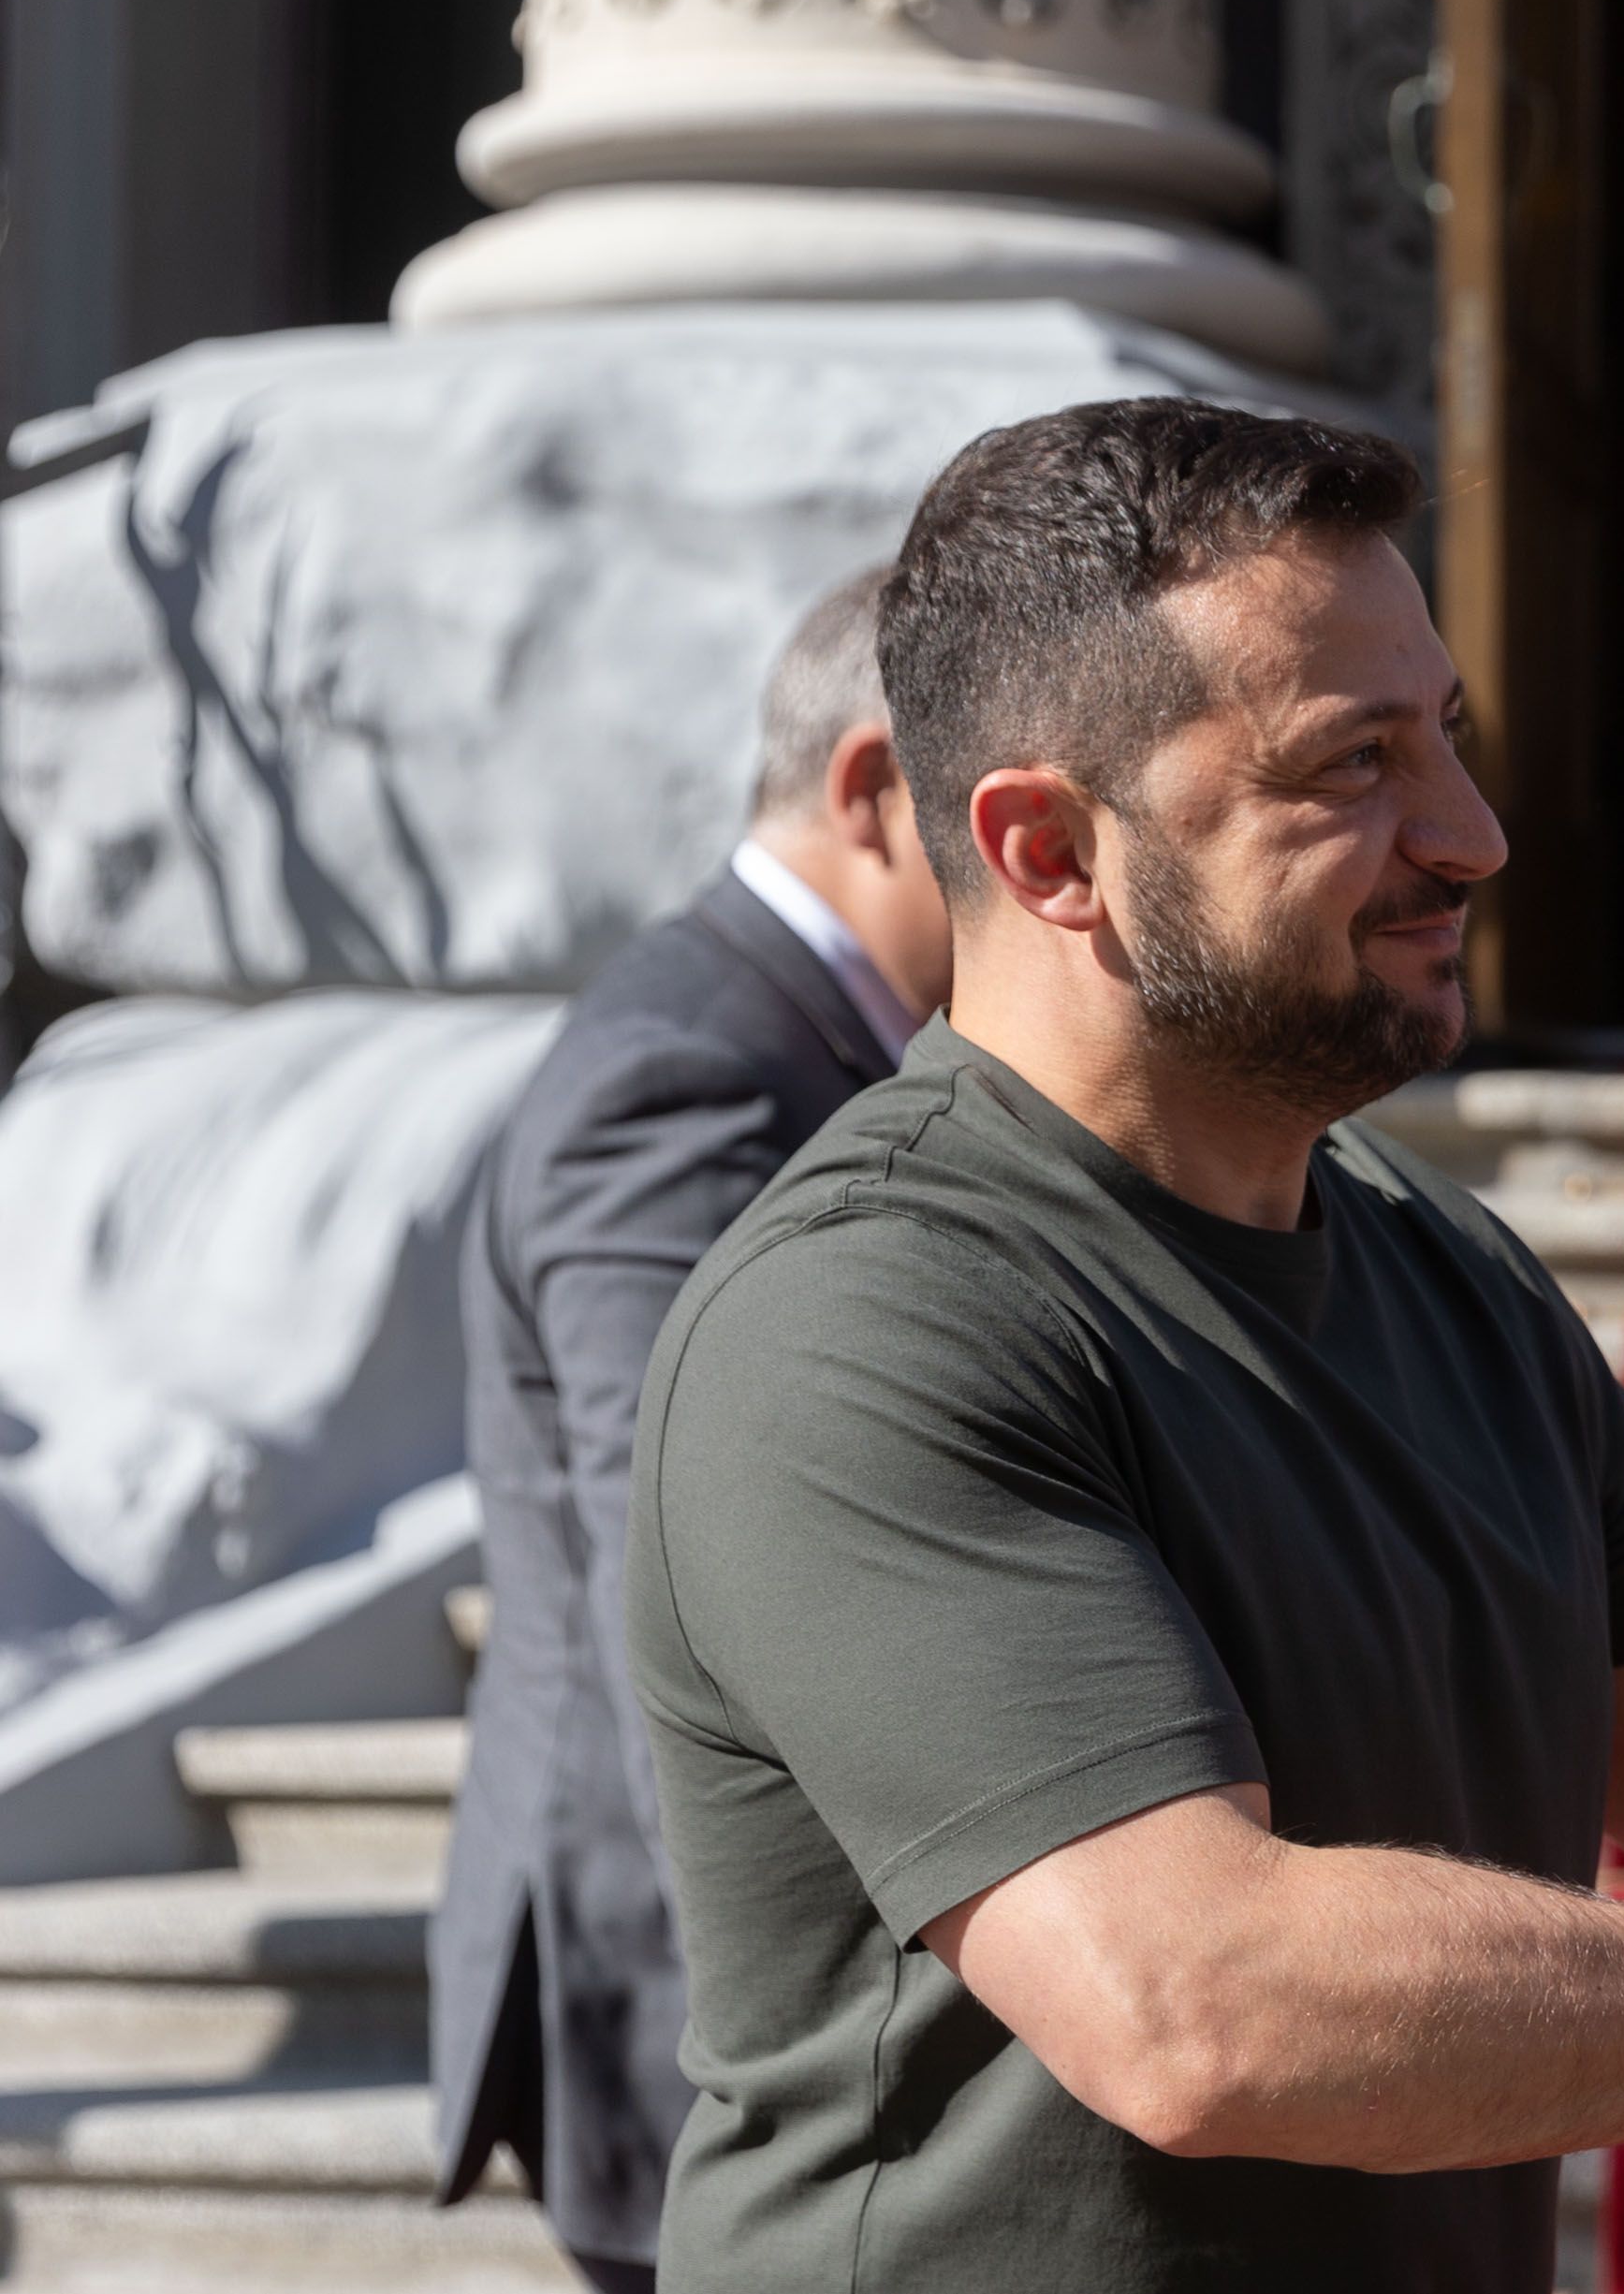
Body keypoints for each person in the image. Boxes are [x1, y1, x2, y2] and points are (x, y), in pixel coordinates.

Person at [619, 402, 1624, 2294]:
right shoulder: (864, 1319)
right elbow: (1206, 2006)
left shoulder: (1449, 1274)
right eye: (1346, 764)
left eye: (1444, 732)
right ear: (1049, 849)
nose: (1467, 832)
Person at [430, 566, 954, 2292]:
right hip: (691, 1989)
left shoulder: (789, 1035)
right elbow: (696, 1559)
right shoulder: (693, 1068)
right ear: (876, 790)